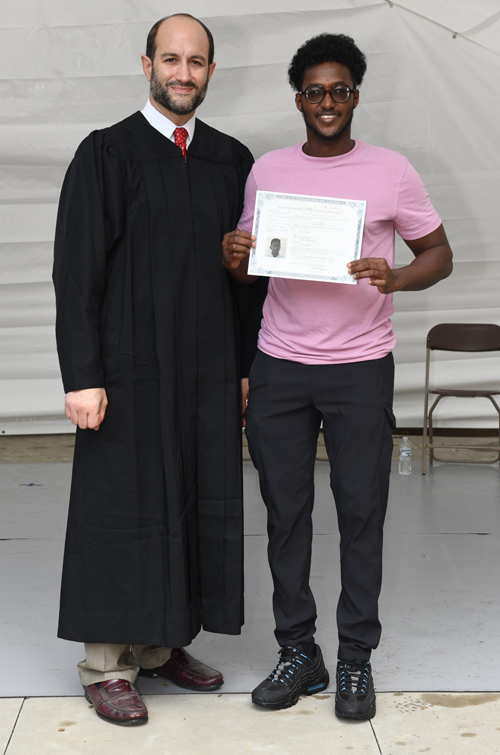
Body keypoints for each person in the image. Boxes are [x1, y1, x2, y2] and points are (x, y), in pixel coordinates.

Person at [222, 33, 452, 721]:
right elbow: (250, 261)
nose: (327, 102)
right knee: (285, 516)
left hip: (359, 367)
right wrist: (234, 255)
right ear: (299, 97)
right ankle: (300, 650)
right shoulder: (266, 170)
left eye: (340, 89)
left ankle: (355, 656)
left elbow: (438, 253)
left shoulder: (391, 170)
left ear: (356, 94)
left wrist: (398, 275)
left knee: (361, 513)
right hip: (281, 365)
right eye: (315, 91)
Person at [53, 13, 264, 726]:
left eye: (196, 61)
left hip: (206, 372)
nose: (183, 73)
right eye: (170, 59)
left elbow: (248, 279)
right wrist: (81, 374)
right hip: (127, 370)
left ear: (211, 70)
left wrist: (242, 368)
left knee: (193, 498)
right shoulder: (107, 154)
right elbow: (76, 272)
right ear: (144, 63)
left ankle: (164, 641)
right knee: (123, 506)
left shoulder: (232, 159)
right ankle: (106, 663)